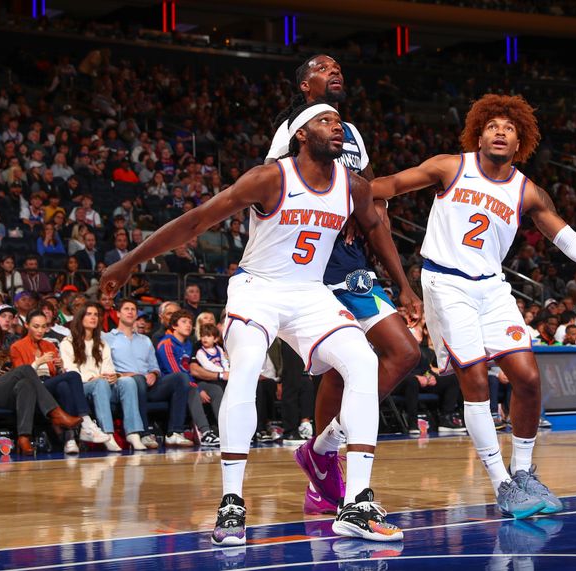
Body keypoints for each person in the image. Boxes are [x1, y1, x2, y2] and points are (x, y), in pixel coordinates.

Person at [101, 102, 421, 545]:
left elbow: (376, 227)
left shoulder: (354, 185)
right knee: (248, 367)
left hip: (310, 292)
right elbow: (196, 221)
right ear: (301, 135)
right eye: (325, 122)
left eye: (339, 123)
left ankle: (357, 505)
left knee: (363, 363)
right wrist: (130, 262)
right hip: (258, 289)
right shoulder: (269, 178)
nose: (338, 128)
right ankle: (231, 503)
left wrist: (404, 286)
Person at [372, 93, 576, 519]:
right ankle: (500, 484)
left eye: (509, 128)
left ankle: (522, 474)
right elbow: (383, 187)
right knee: (476, 380)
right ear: (478, 134)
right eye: (492, 125)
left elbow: (570, 242)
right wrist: (354, 203)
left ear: (521, 143)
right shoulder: (449, 166)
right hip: (445, 282)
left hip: (492, 288)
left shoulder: (527, 191)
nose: (500, 131)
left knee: (528, 377)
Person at [266, 54, 420, 515]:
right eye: (323, 68)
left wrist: (394, 265)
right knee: (342, 366)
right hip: (313, 262)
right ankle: (326, 473)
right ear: (305, 87)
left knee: (405, 352)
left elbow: (370, 196)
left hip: (354, 263)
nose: (335, 71)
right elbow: (276, 191)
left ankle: (323, 448)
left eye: (339, 66)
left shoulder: (350, 135)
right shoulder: (289, 129)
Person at [0, 317, 82, 455]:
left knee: (26, 384)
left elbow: (11, 381)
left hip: (2, 396)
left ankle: (24, 437)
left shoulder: (2, 355)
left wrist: (6, 375)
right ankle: (55, 412)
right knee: (25, 369)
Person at [10, 310, 107, 454]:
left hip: (49, 384)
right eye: (36, 326)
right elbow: (20, 375)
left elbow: (55, 374)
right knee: (73, 375)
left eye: (44, 327)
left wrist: (60, 368)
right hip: (33, 387)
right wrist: (38, 362)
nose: (40, 330)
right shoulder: (17, 347)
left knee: (63, 385)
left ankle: (70, 439)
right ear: (26, 325)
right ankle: (85, 421)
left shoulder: (49, 346)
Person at [104, 298, 193, 450]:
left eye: (133, 309)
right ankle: (144, 433)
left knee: (181, 378)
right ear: (118, 313)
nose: (131, 312)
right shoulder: (107, 338)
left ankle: (174, 433)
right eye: (126, 309)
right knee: (137, 379)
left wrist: (153, 373)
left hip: (149, 383)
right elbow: (105, 367)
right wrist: (125, 374)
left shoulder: (145, 340)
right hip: (123, 385)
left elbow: (154, 366)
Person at [60, 302, 146, 451]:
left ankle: (133, 433)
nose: (93, 317)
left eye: (96, 315)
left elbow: (108, 367)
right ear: (80, 318)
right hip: (82, 387)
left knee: (128, 381)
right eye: (89, 314)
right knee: (100, 383)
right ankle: (108, 433)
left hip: (103, 384)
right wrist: (93, 378)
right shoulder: (67, 343)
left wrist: (114, 376)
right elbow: (70, 371)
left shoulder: (101, 343)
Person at [155, 310, 222, 447]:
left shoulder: (189, 344)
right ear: (174, 326)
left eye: (190, 322)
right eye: (184, 322)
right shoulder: (166, 343)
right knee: (188, 386)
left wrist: (198, 386)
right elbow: (175, 372)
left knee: (214, 389)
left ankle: (225, 430)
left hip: (188, 382)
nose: (188, 325)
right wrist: (197, 389)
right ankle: (205, 432)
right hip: (167, 384)